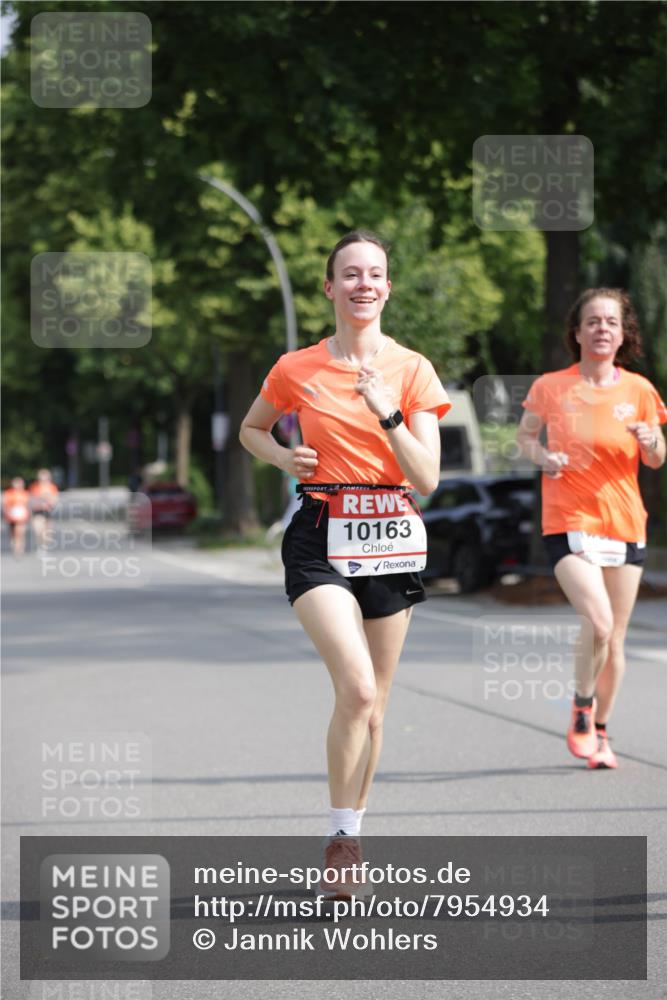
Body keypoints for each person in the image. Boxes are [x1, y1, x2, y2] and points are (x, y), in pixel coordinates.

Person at [240, 230, 450, 894]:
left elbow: (428, 477)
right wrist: (281, 455)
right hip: (320, 534)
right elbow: (254, 428)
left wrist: (386, 412)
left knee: (376, 706)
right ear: (329, 288)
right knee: (356, 689)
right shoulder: (295, 367)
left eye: (375, 273)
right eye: (350, 274)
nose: (363, 283)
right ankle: (336, 836)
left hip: (391, 537)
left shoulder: (412, 369)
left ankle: (353, 832)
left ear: (388, 287)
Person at [517, 288, 666, 769]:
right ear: (577, 332)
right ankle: (582, 706)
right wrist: (544, 455)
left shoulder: (640, 391)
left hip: (624, 523)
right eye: (593, 322)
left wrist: (651, 440)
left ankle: (600, 733)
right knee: (598, 623)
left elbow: (656, 457)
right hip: (569, 520)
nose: (603, 329)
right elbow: (524, 438)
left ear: (624, 335)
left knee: (613, 639)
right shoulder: (551, 386)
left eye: (612, 322)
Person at [29, 468, 59, 550]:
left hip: (48, 511)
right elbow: (31, 500)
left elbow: (55, 499)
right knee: (38, 530)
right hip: (37, 511)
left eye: (45, 477)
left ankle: (44, 545)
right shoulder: (34, 487)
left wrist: (49, 500)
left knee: (47, 532)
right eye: (41, 477)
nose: (43, 479)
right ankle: (40, 544)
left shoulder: (52, 487)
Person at [2, 477, 31, 556]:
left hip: (22, 517)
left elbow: (28, 506)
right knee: (13, 533)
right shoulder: (8, 493)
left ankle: (19, 548)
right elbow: (5, 505)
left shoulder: (25, 493)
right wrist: (7, 513)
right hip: (12, 517)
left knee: (20, 532)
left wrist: (28, 515)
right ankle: (14, 544)